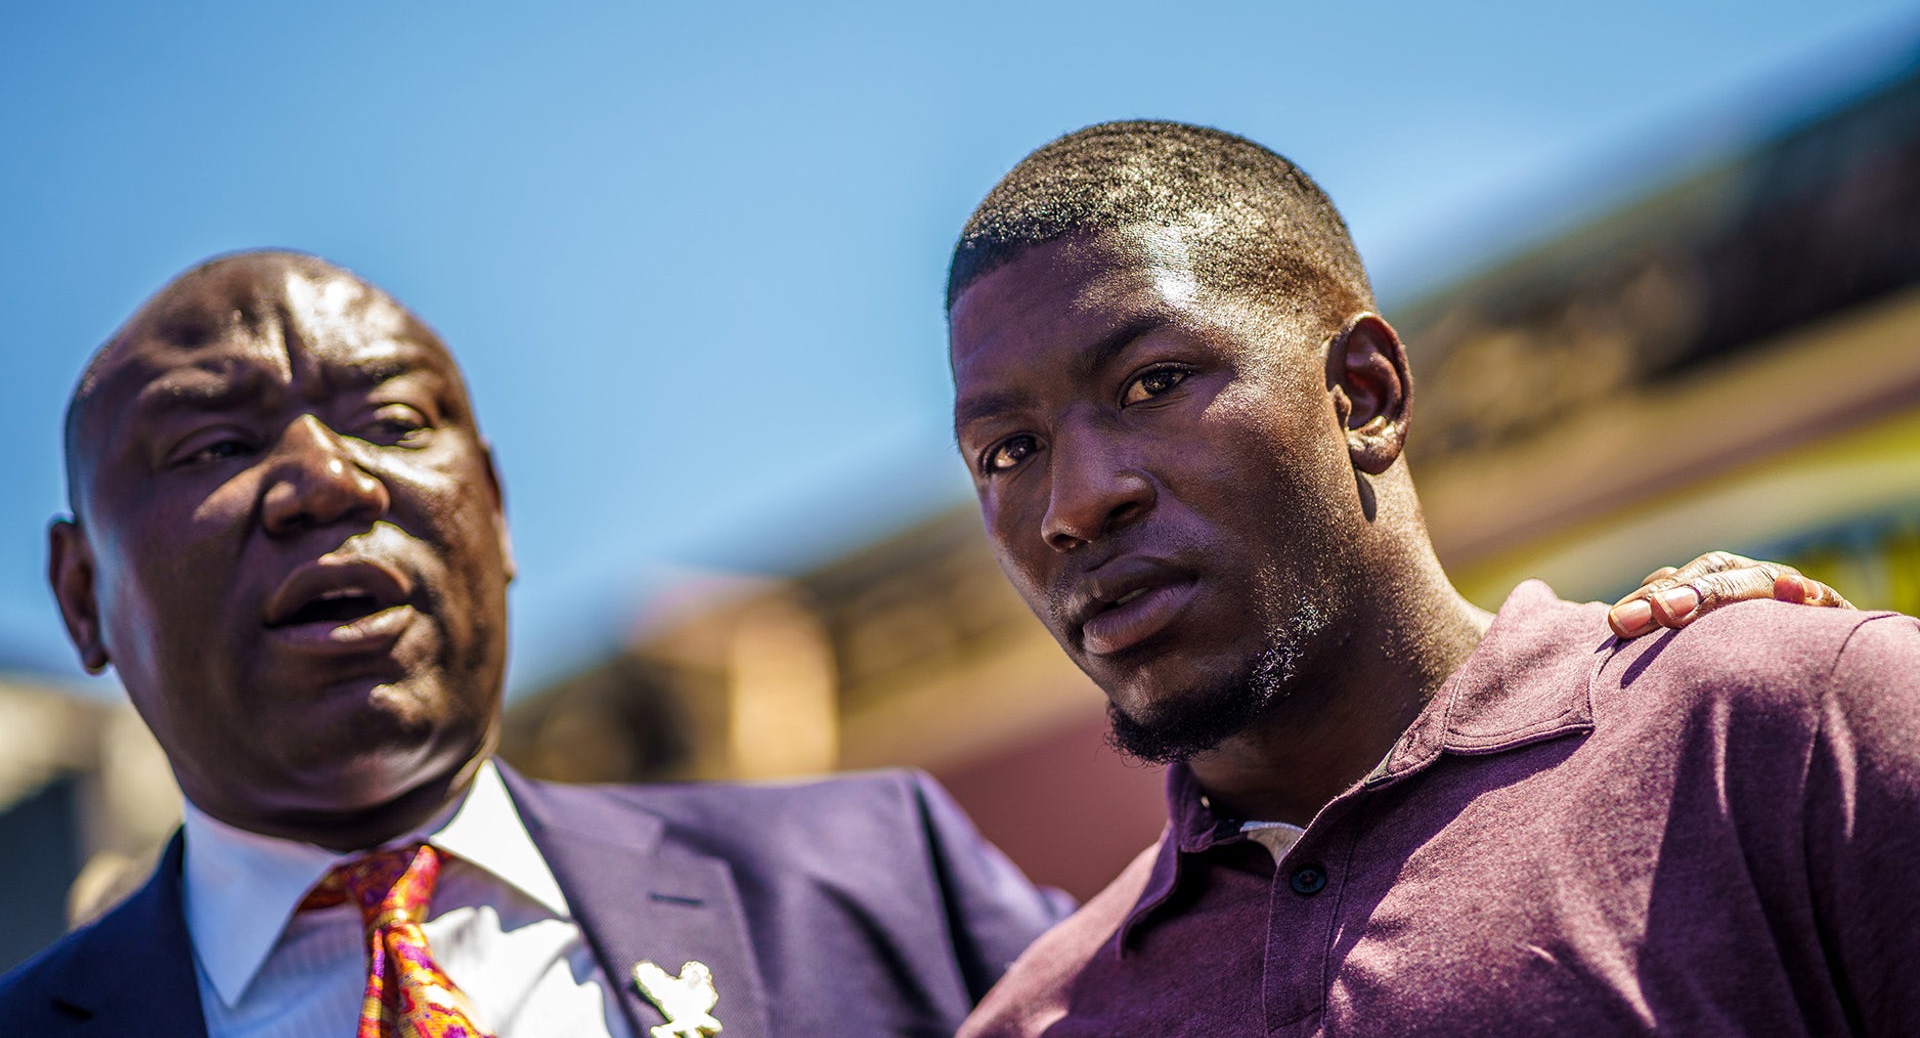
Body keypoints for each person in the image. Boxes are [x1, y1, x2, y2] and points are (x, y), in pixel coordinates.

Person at [946, 121, 1918, 1036]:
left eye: (1152, 382)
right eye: (1007, 450)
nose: (1072, 504)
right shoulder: (1037, 1018)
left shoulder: (1784, 730)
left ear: (1363, 395)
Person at [0, 251, 1071, 1038]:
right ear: (83, 597)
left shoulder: (873, 870)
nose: (329, 478)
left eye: (396, 422)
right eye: (214, 445)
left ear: (498, 515)